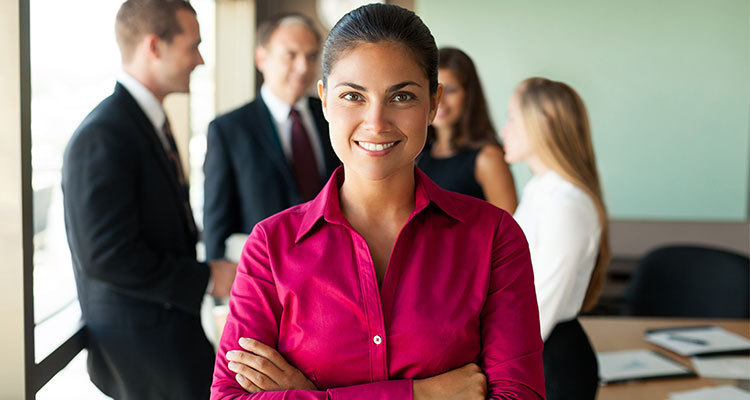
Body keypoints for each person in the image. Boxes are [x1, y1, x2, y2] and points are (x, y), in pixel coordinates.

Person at [210, 4, 545, 399]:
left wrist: (308, 393)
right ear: (324, 100)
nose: (376, 122)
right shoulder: (270, 246)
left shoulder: (494, 237)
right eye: (353, 95)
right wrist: (422, 394)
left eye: (401, 96)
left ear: (433, 104)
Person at [61, 1, 237, 398]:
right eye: (193, 46)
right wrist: (209, 276)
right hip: (143, 357)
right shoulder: (103, 135)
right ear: (155, 46)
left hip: (169, 341)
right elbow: (108, 256)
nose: (201, 60)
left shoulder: (143, 123)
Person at [500, 77, 611, 399]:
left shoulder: (566, 204)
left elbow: (541, 306)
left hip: (549, 364)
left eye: (512, 119)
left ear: (542, 123)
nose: (504, 130)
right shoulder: (541, 190)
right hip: (534, 353)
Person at [203, 13, 339, 263]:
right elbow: (216, 223)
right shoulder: (229, 130)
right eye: (291, 55)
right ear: (261, 58)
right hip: (266, 275)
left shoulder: (333, 116)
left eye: (311, 56)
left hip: (332, 266)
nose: (303, 67)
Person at [417, 47, 517, 212]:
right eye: (433, 90)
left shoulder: (487, 158)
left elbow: (509, 231)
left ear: (469, 95)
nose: (440, 100)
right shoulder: (420, 154)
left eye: (450, 91)